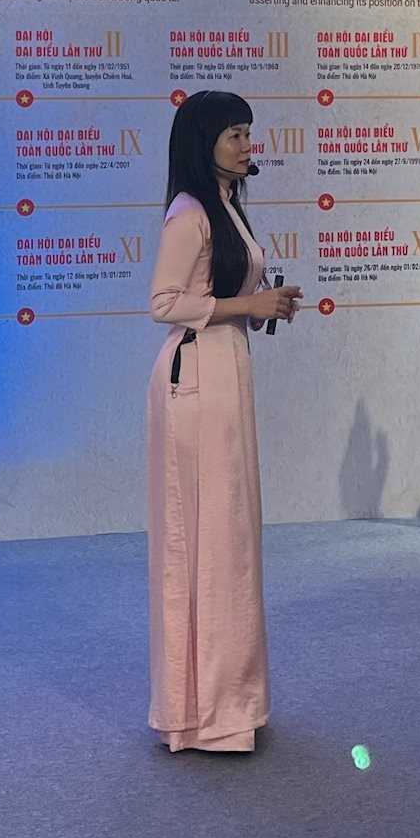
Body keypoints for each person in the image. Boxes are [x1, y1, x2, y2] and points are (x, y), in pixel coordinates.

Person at [144, 90, 302, 754]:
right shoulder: (189, 213)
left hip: (225, 368)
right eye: (234, 133)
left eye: (247, 132)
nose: (246, 144)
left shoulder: (226, 203)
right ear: (201, 141)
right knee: (208, 535)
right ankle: (204, 713)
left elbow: (224, 297)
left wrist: (262, 307)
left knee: (230, 533)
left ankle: (227, 704)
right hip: (196, 380)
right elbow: (163, 303)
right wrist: (248, 304)